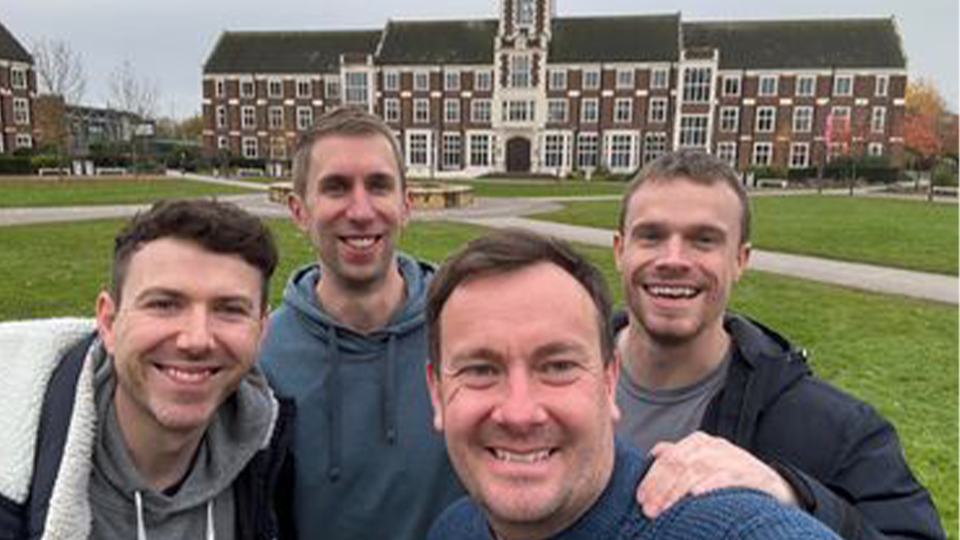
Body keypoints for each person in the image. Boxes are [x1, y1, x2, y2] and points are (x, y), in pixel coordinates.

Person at [424, 228, 843, 540]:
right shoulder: (455, 528)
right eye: (480, 370)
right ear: (437, 394)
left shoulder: (729, 528)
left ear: (610, 382)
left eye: (558, 366)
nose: (519, 413)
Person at [612, 149, 945, 539]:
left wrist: (795, 496)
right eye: (651, 236)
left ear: (740, 259)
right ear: (620, 250)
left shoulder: (835, 430)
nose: (673, 259)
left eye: (703, 240)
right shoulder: (553, 386)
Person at [0, 199, 294, 539]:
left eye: (230, 309)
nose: (196, 340)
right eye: (164, 304)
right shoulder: (14, 473)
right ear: (109, 322)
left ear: (261, 330)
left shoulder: (271, 461)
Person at [259, 106, 463, 539]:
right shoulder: (261, 355)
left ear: (406, 205)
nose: (360, 210)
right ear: (299, 210)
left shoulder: (466, 330)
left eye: (378, 185)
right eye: (336, 187)